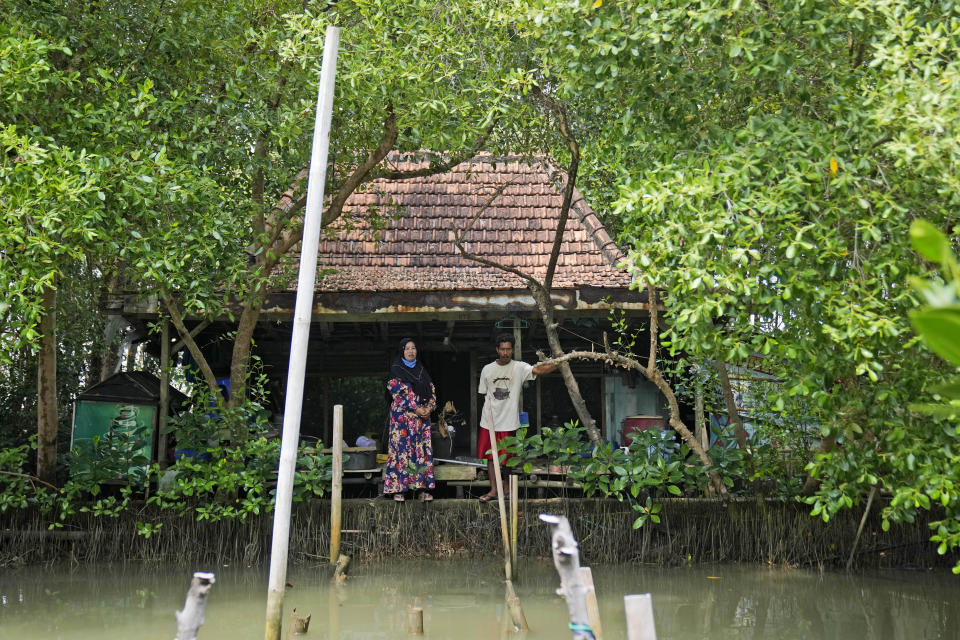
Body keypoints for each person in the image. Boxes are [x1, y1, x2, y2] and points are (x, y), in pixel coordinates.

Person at [477, 333, 556, 502]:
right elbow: (483, 394)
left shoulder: (519, 367)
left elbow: (539, 370)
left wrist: (559, 362)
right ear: (497, 350)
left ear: (512, 350)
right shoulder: (487, 369)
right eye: (502, 349)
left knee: (508, 458)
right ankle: (493, 490)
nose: (505, 353)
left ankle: (506, 489)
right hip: (489, 421)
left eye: (508, 349)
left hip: (509, 422)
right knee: (491, 458)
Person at [385, 338, 437, 502]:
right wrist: (415, 408)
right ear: (401, 351)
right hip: (402, 420)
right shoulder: (396, 370)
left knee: (420, 453)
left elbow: (432, 391)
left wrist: (429, 408)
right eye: (407, 348)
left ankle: (421, 490)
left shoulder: (422, 370)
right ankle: (398, 490)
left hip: (421, 421)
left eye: (413, 348)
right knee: (401, 452)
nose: (411, 351)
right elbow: (397, 393)